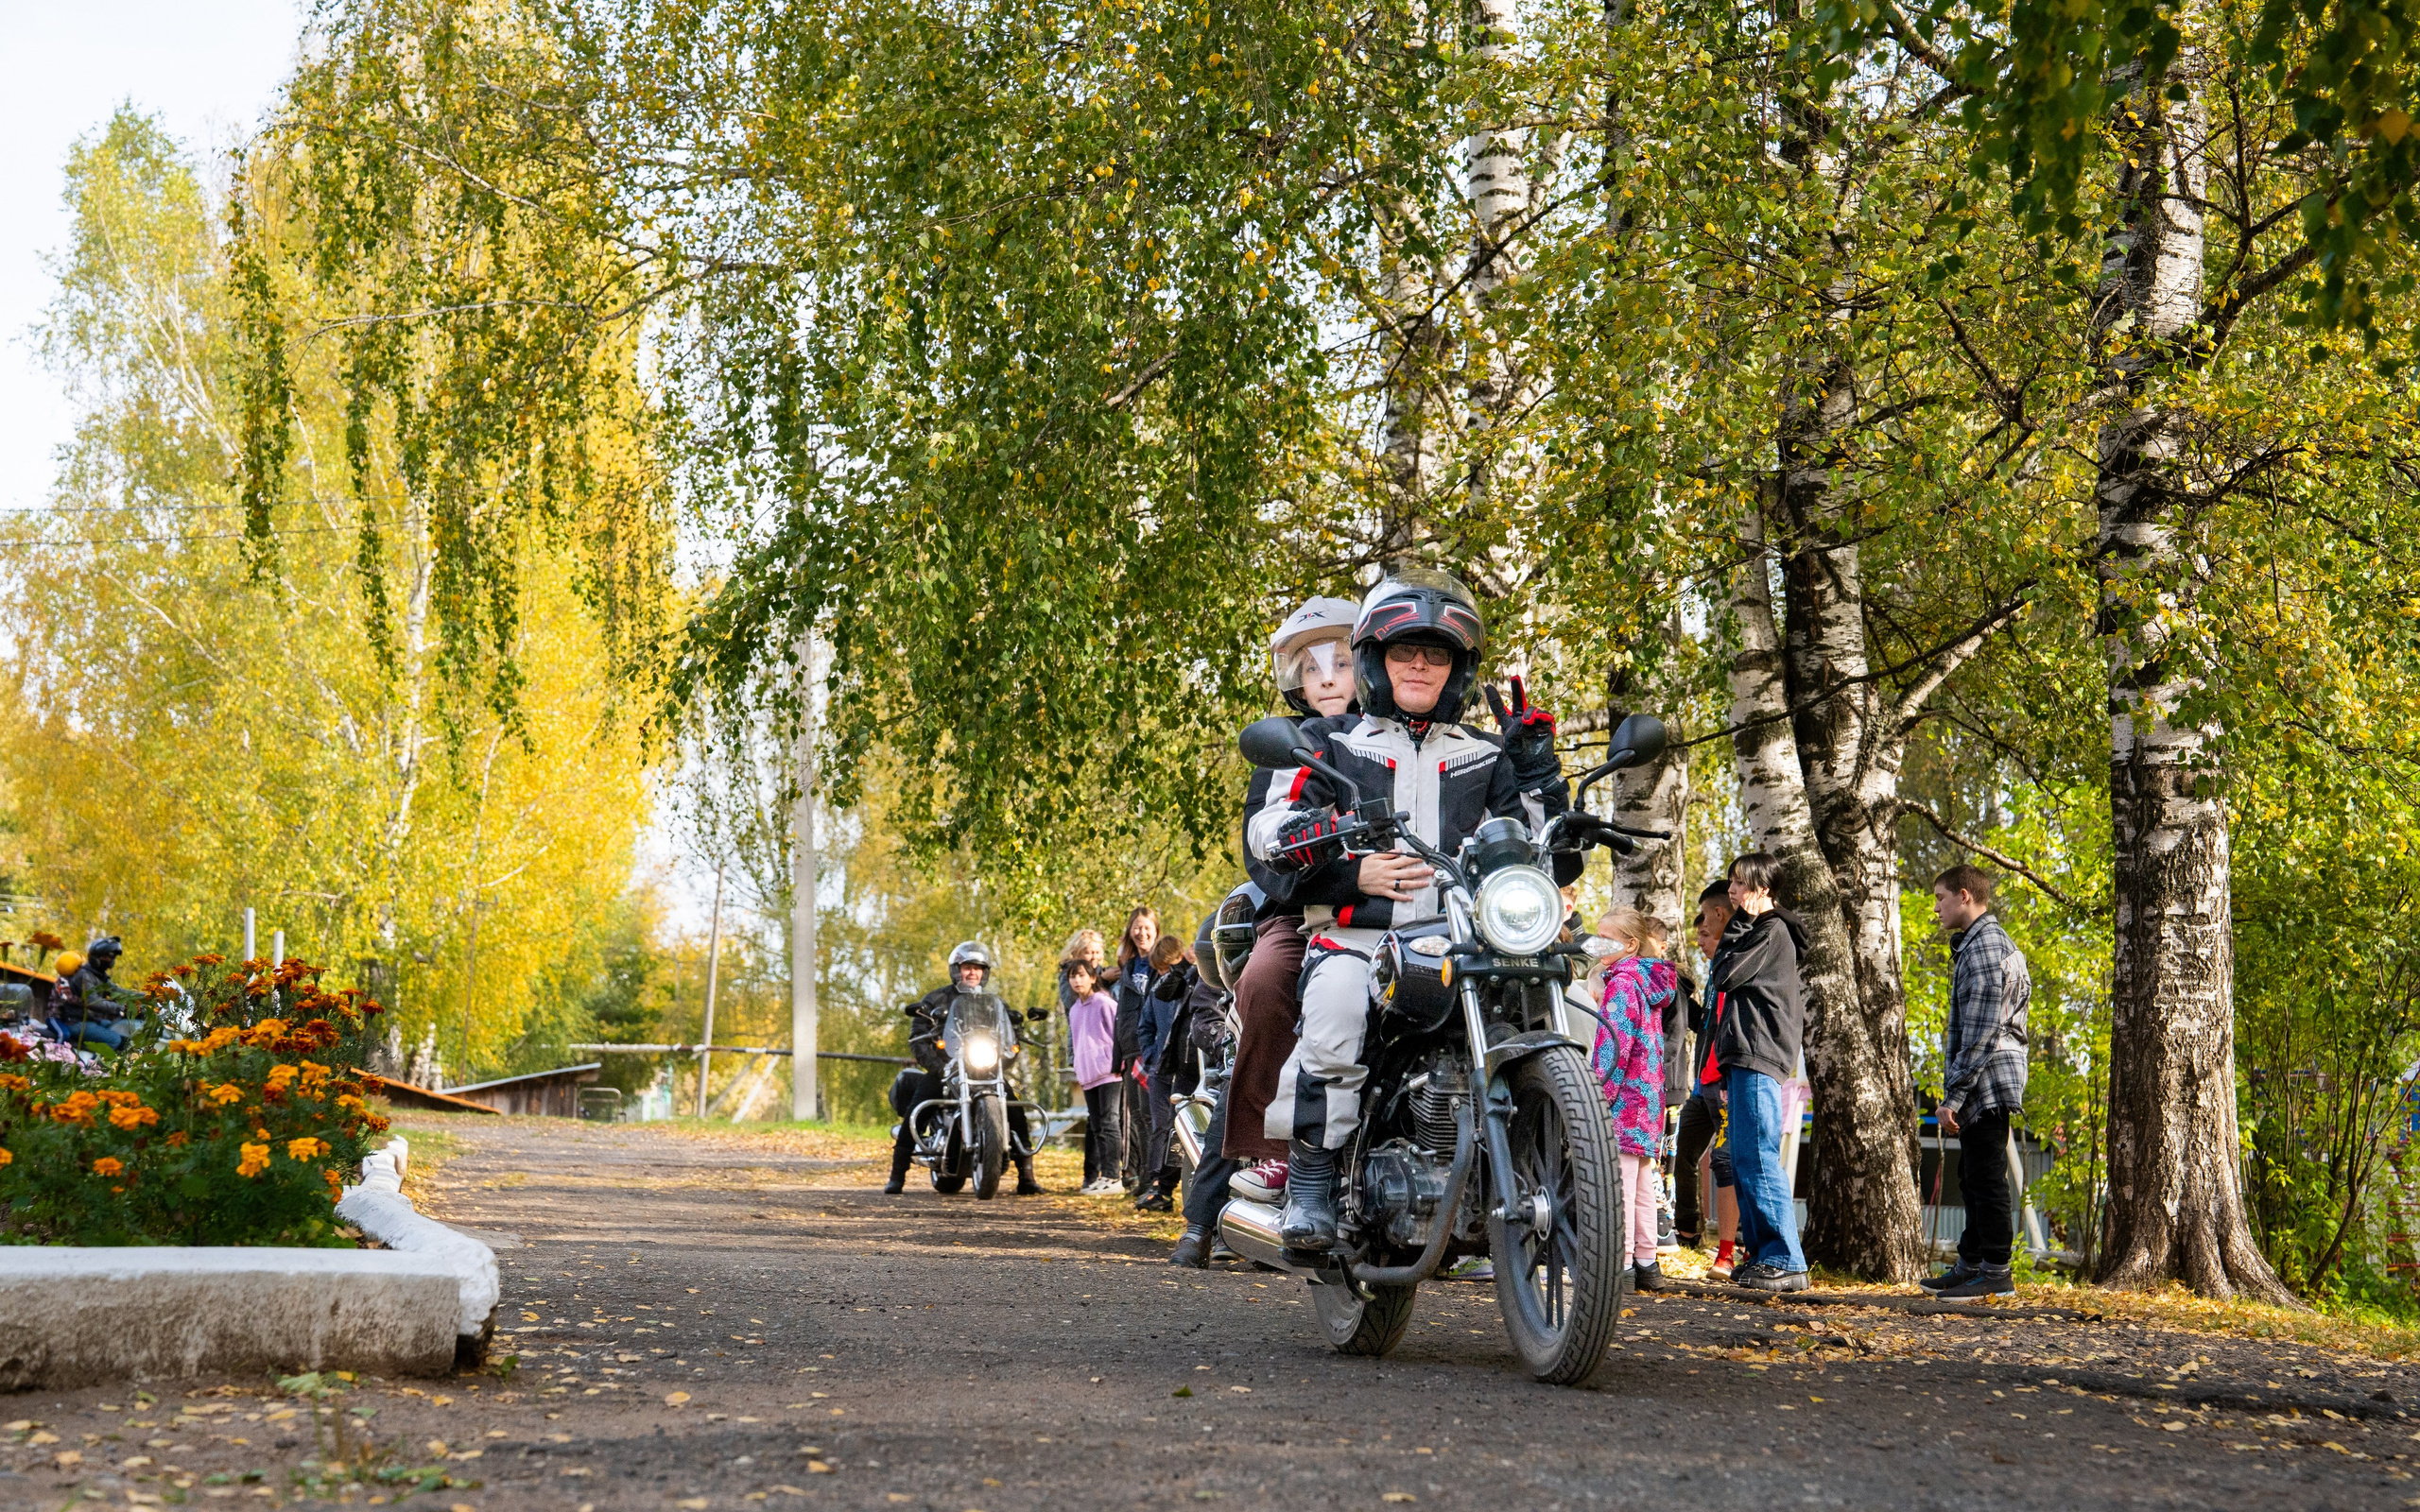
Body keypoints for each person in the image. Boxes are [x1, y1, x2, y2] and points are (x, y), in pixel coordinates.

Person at [1249, 568, 1578, 1251]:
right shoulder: (1328, 742)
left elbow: (1552, 857)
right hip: (1363, 940)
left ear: (1458, 667)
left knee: (1570, 1006)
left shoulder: (1486, 755)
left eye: (1437, 652)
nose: (1421, 663)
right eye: (1405, 650)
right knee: (1336, 1008)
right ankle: (1313, 1174)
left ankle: (1570, 1175)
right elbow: (1269, 832)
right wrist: (1347, 868)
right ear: (1377, 660)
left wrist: (1540, 769)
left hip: (1470, 945)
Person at [1226, 595, 1363, 1206]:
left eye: (1342, 662)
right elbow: (1263, 843)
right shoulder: (1290, 743)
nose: (1329, 677)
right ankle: (1278, 1148)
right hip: (1304, 906)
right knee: (1264, 979)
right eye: (1313, 667)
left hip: (1404, 902)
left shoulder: (1398, 734)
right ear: (1296, 682)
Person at [1923, 865, 2032, 1299]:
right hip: (1981, 1080)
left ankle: (1997, 1271)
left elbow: (1984, 1030)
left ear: (1964, 896)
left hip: (1987, 1081)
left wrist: (1954, 1096)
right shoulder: (1977, 945)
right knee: (1972, 1175)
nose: (1935, 909)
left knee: (1986, 1176)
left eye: (1940, 898)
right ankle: (1971, 1265)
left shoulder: (1986, 947)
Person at [1706, 852, 1810, 1291]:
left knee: (1761, 1157)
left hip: (1758, 1050)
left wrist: (1739, 925)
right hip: (1746, 1053)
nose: (1733, 891)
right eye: (1731, 882)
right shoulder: (1760, 929)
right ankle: (1764, 1256)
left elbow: (1726, 975)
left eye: (1741, 883)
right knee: (1746, 1157)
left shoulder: (1770, 930)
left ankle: (1786, 1259)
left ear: (1764, 889)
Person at [886, 940, 1041, 1196]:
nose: (973, 973)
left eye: (978, 968)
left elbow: (1007, 1031)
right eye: (967, 967)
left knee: (1014, 1108)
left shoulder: (993, 1003)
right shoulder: (937, 998)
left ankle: (1027, 1176)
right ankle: (897, 1173)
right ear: (956, 969)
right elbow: (918, 1035)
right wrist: (938, 1066)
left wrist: (1016, 1033)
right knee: (919, 1107)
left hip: (984, 1069)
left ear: (985, 972)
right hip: (947, 1068)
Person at [1587, 907, 1675, 1291]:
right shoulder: (1646, 982)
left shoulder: (1622, 984)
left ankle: (1620, 1265)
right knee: (1640, 1182)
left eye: (1607, 938)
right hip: (1648, 1096)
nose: (1597, 943)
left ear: (1630, 944)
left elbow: (1613, 1045)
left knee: (1618, 1187)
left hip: (1622, 1097)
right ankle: (1646, 1262)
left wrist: (1595, 1092)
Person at [1672, 882, 1740, 1272]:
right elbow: (1706, 1023)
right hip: (1703, 1085)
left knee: (1726, 1160)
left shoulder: (1737, 962)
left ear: (1719, 919)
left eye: (1703, 933)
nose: (1699, 941)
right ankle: (1688, 1231)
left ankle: (1731, 1250)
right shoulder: (1715, 972)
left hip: (1727, 1083)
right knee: (1684, 1153)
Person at [1132, 934, 1193, 1211]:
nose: (1160, 974)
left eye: (1164, 968)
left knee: (1184, 1130)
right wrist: (1152, 1056)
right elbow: (1145, 1026)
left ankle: (1184, 1189)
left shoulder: (1194, 984)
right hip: (1160, 1070)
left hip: (1188, 1070)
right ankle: (1159, 1187)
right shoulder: (1158, 989)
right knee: (1161, 1128)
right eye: (1157, 970)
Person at [1111, 907, 1161, 1187]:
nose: (1142, 933)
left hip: (1153, 1048)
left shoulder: (1163, 964)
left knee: (1153, 1116)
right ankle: (1144, 1178)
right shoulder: (1128, 966)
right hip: (1131, 1048)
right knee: (1139, 1117)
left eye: (1146, 927)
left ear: (1156, 930)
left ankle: (1157, 1180)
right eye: (1136, 928)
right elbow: (1123, 1013)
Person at [1066, 962, 1123, 1194]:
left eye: (1081, 975)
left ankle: (1113, 1176)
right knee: (1098, 1124)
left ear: (1092, 977)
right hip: (1088, 1075)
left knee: (1110, 1121)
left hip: (1109, 1073)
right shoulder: (1074, 1009)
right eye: (1073, 977)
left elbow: (1116, 1032)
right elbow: (1077, 1042)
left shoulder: (1104, 1002)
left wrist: (1117, 1061)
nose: (1077, 981)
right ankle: (1102, 1175)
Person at [48, 936, 128, 1051]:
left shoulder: (94, 976)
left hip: (83, 1020)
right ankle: (92, 1067)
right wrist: (120, 1008)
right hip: (72, 1021)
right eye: (105, 957)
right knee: (114, 1039)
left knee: (112, 1025)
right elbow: (91, 1002)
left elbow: (116, 991)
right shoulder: (77, 979)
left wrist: (147, 996)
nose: (109, 960)